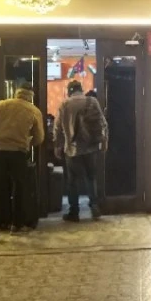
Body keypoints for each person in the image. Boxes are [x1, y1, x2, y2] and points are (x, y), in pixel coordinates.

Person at [0, 84, 45, 242]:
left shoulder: (2, 105)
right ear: (31, 95)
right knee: (20, 189)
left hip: (0, 152)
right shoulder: (33, 110)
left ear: (17, 92)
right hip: (19, 153)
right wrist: (28, 143)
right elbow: (39, 137)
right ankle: (17, 225)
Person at [54, 80, 108, 222]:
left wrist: (58, 145)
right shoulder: (92, 101)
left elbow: (57, 127)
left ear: (69, 91)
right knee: (91, 177)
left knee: (73, 181)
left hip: (72, 149)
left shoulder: (65, 104)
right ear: (81, 89)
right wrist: (104, 141)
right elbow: (103, 122)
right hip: (91, 147)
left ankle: (74, 211)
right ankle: (94, 206)